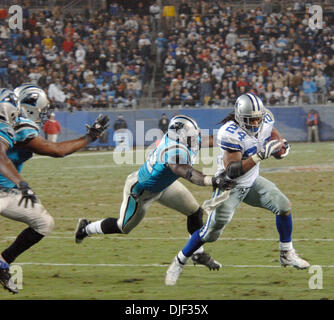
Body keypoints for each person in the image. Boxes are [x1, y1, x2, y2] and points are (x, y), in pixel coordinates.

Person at [165, 93, 310, 286]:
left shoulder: (265, 119)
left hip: (252, 183)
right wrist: (259, 156)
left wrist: (281, 147)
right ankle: (179, 260)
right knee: (210, 233)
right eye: (252, 119)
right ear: (241, 118)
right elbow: (232, 171)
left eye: (259, 118)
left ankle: (287, 253)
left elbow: (272, 134)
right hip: (229, 187)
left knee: (283, 206)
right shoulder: (229, 132)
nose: (257, 122)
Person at [75, 115, 235, 272]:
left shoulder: (183, 138)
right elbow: (188, 173)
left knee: (194, 212)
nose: (198, 137)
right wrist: (212, 180)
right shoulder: (172, 152)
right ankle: (86, 228)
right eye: (195, 134)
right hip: (141, 193)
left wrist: (234, 135)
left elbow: (213, 140)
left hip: (164, 186)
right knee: (122, 227)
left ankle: (197, 253)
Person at [0, 85, 109, 294]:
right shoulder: (19, 126)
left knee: (44, 223)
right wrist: (89, 138)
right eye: (41, 108)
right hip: (10, 189)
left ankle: (5, 260)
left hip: (9, 192)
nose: (43, 113)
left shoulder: (16, 123)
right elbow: (56, 150)